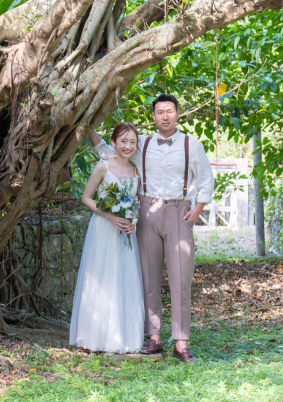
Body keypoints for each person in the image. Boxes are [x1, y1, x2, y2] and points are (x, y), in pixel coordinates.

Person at [89, 93, 215, 363]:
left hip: (180, 212)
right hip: (146, 211)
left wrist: (198, 210)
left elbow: (206, 179)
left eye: (170, 111)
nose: (165, 116)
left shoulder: (191, 145)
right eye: (160, 112)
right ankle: (153, 337)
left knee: (181, 278)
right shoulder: (142, 143)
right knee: (148, 277)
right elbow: (109, 154)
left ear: (177, 114)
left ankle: (181, 342)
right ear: (154, 116)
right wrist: (87, 127)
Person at [69, 122, 144, 354]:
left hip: (125, 234)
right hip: (103, 228)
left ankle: (123, 337)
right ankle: (95, 336)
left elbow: (138, 202)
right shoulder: (103, 166)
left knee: (123, 279)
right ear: (113, 142)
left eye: (132, 142)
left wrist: (134, 222)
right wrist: (109, 215)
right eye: (123, 141)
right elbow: (86, 198)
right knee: (102, 277)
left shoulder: (137, 171)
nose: (128, 146)